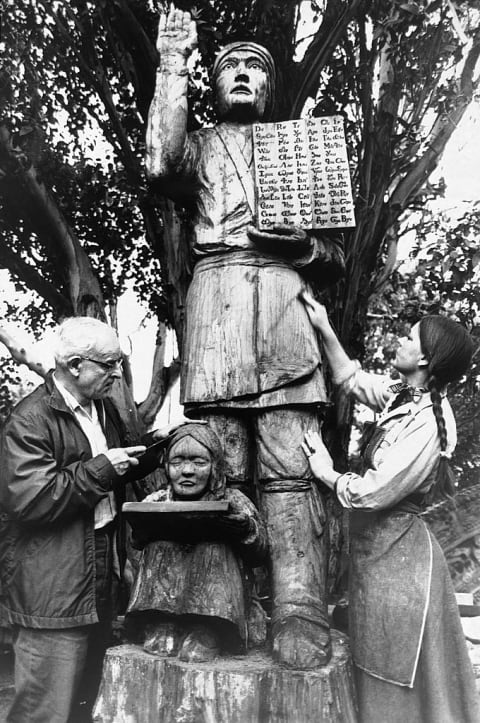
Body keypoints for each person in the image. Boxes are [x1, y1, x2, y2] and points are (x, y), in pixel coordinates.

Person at [145, 5, 345, 669]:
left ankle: (299, 611)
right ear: (215, 81)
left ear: (269, 88)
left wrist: (309, 246)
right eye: (229, 65)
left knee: (291, 472)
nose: (239, 74)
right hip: (217, 305)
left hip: (285, 307)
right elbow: (161, 162)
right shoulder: (199, 146)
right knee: (212, 470)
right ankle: (213, 614)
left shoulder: (297, 150)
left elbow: (335, 260)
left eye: (253, 69)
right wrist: (173, 62)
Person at [300, 291, 479, 723]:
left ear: (426, 360)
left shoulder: (429, 421)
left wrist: (325, 470)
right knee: (375, 658)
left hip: (404, 562)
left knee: (395, 670)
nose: (401, 339)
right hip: (379, 554)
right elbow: (352, 379)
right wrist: (324, 326)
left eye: (410, 337)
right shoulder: (404, 397)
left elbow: (374, 493)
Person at [0, 317, 174, 723]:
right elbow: (33, 500)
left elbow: (110, 466)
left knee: (83, 703)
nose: (117, 373)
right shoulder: (30, 419)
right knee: (45, 709)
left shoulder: (101, 407)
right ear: (75, 365)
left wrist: (155, 445)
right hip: (53, 588)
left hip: (97, 576)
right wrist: (101, 469)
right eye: (109, 364)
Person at [126, 423, 268, 662]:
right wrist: (143, 529)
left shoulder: (233, 499)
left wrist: (243, 528)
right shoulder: (159, 499)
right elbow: (137, 543)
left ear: (215, 467)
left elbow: (260, 553)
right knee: (160, 547)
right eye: (177, 462)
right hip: (168, 595)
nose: (187, 471)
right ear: (166, 466)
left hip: (219, 603)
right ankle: (164, 622)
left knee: (212, 548)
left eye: (199, 462)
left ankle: (209, 629)